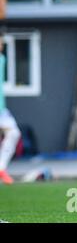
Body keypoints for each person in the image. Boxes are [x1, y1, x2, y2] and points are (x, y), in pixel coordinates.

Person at [0, 31, 22, 185]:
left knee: (14, 133)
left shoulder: (2, 59)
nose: (1, 46)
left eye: (2, 43)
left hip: (1, 109)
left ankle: (1, 168)